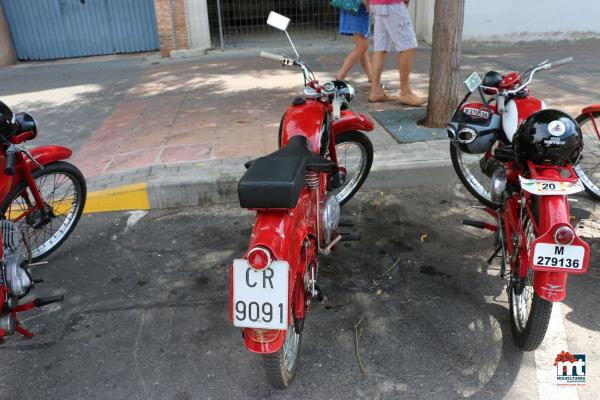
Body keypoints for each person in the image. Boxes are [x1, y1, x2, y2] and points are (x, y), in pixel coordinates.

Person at [368, 0, 426, 106]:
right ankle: (405, 93)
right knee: (408, 46)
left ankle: (375, 91)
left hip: (378, 4)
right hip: (392, 4)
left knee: (381, 47)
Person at [335, 3, 373, 82]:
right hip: (356, 9)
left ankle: (372, 77)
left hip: (355, 8)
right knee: (362, 46)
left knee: (362, 47)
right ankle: (341, 76)